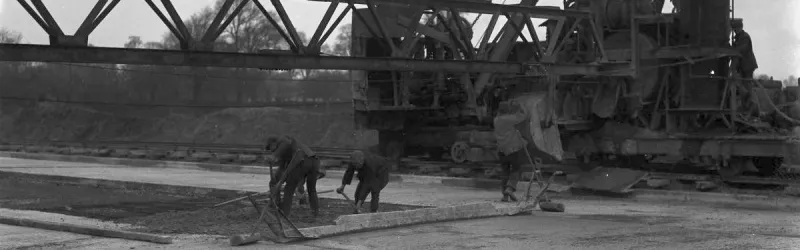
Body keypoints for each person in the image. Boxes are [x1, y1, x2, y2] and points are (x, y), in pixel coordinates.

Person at [264, 136, 320, 217]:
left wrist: (274, 155)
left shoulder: (283, 140)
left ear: (274, 143)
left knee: (289, 188)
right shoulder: (286, 152)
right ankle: (315, 213)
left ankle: (285, 213)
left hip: (302, 161)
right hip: (314, 161)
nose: (271, 151)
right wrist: (277, 182)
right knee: (312, 189)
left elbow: (286, 144)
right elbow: (283, 169)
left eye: (271, 148)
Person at [493, 101, 530, 202]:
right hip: (512, 149)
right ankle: (510, 188)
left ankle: (504, 195)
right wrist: (521, 106)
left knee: (505, 171)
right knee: (516, 170)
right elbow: (524, 116)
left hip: (501, 150)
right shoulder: (509, 119)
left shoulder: (496, 120)